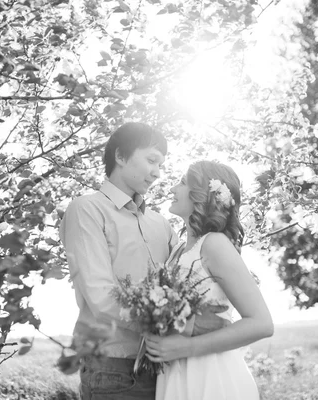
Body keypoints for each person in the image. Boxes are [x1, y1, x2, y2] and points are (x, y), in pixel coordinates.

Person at [59, 123, 227, 400]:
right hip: (114, 367)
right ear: (121, 157)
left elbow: (190, 276)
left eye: (161, 164)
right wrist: (186, 326)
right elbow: (100, 298)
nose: (158, 173)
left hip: (167, 367)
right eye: (151, 160)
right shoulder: (87, 210)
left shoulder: (160, 223)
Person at [145, 160, 274, 400]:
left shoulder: (214, 244)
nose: (172, 189)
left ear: (203, 194)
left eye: (182, 182)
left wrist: (186, 347)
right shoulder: (178, 252)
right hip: (176, 374)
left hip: (211, 377)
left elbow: (262, 323)